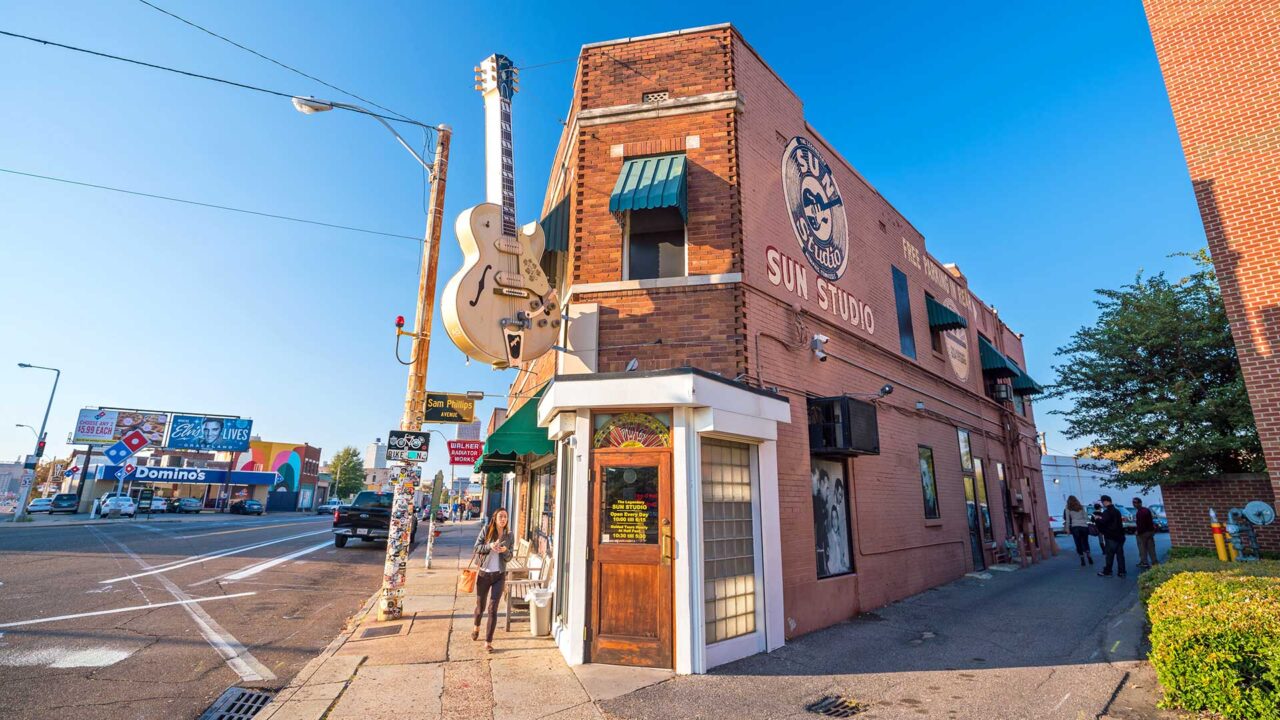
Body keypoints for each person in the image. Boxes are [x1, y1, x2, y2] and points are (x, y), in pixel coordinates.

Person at [472, 507, 513, 653]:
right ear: (495, 518)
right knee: (480, 607)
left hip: (499, 575)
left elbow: (510, 557)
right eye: (501, 516)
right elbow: (476, 548)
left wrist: (505, 551)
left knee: (492, 609)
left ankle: (488, 642)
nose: (503, 519)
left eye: (506, 517)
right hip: (484, 575)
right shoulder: (487, 530)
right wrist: (489, 546)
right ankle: (476, 627)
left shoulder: (509, 535)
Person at [1094, 495, 1126, 578]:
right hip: (1120, 536)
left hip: (1110, 536)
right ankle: (1121, 571)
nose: (1102, 504)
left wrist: (1097, 519)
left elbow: (1103, 524)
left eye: (1102, 502)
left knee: (1109, 555)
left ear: (1105, 501)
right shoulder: (1117, 511)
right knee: (1120, 555)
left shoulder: (1107, 512)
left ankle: (1108, 571)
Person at [1063, 495, 1093, 566]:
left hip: (1075, 527)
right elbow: (1085, 517)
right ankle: (1089, 556)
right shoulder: (1081, 506)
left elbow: (1067, 519)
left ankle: (1082, 559)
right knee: (1085, 542)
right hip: (1084, 526)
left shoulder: (1068, 507)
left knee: (1078, 543)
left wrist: (1067, 529)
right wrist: (1090, 521)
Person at [1133, 498, 1158, 569]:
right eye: (1134, 503)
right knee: (1151, 547)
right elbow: (1150, 522)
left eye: (1136, 503)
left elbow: (1141, 524)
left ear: (1140, 503)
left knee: (1142, 548)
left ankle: (1144, 562)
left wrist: (1138, 531)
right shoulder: (1147, 510)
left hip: (1143, 533)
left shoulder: (1140, 512)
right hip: (1150, 532)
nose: (1135, 504)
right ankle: (1154, 561)